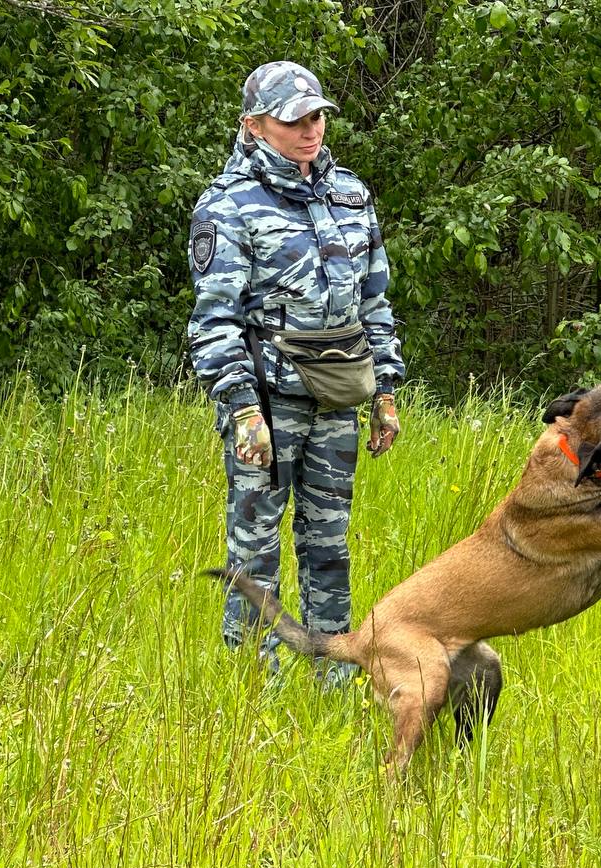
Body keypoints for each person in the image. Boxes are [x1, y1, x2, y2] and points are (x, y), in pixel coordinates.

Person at [187, 61, 405, 680]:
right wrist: (241, 408)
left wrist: (385, 388)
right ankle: (253, 681)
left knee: (329, 544)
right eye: (294, 120)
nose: (311, 130)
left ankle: (333, 674)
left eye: (317, 116)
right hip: (268, 402)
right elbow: (215, 322)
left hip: (338, 395)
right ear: (254, 126)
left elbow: (374, 301)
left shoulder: (350, 195)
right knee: (255, 545)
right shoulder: (228, 207)